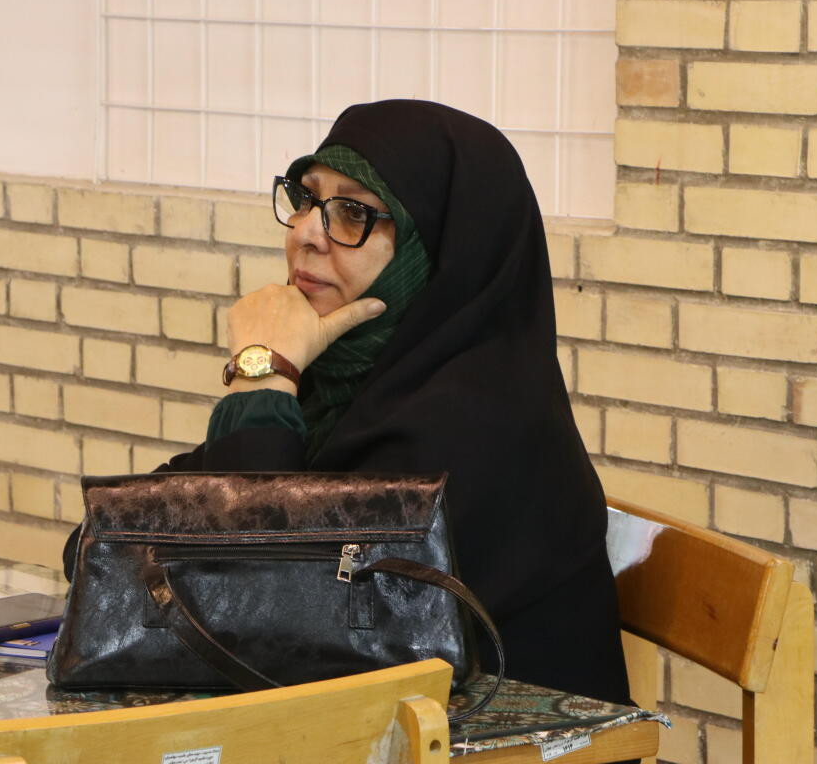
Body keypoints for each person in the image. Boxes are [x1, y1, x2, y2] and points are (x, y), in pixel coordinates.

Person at [65, 99, 631, 706]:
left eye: (354, 212)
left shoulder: (481, 424)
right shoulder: (348, 384)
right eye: (307, 198)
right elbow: (101, 550)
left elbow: (251, 609)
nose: (306, 233)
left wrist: (261, 374)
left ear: (440, 252)